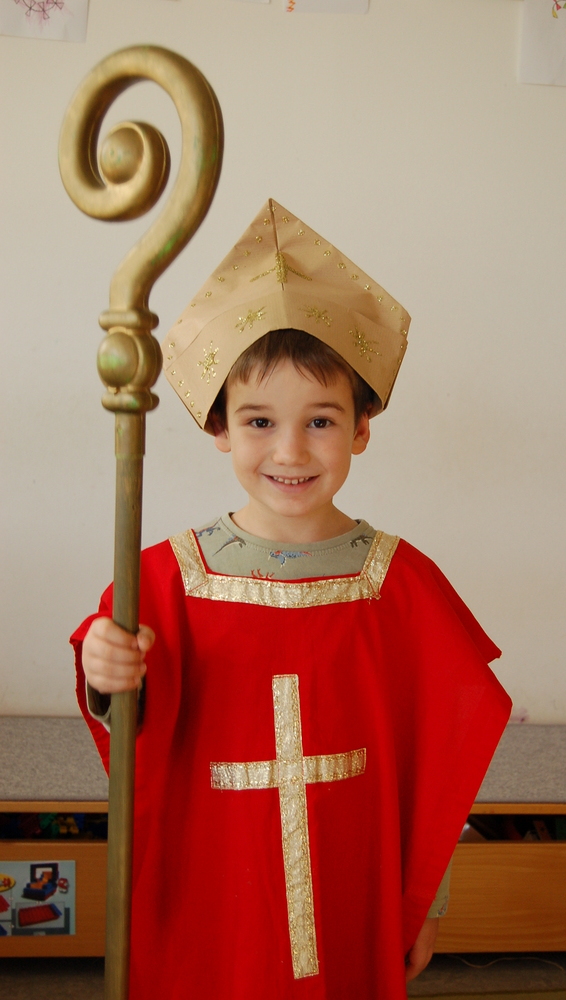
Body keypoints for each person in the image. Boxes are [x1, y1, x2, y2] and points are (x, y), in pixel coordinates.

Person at [73, 199, 511, 1000]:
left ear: (361, 428)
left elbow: (440, 765)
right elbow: (129, 727)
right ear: (218, 427)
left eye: (320, 421)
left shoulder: (398, 583)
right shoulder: (161, 582)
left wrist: (427, 902)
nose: (289, 450)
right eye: (257, 420)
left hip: (352, 886)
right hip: (211, 889)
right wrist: (107, 675)